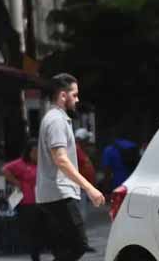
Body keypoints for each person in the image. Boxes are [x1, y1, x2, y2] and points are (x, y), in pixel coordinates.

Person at [35, 73, 105, 261]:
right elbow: (61, 160)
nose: (77, 99)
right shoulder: (57, 120)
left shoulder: (52, 118)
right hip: (59, 194)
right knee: (79, 244)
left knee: (63, 249)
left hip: (51, 194)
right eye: (74, 95)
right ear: (63, 95)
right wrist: (90, 188)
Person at [2, 139, 44, 261]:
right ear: (29, 152)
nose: (37, 155)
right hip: (27, 203)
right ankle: (35, 256)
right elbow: (5, 169)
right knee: (32, 232)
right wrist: (16, 182)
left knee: (42, 230)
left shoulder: (42, 164)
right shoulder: (21, 164)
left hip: (42, 201)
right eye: (34, 152)